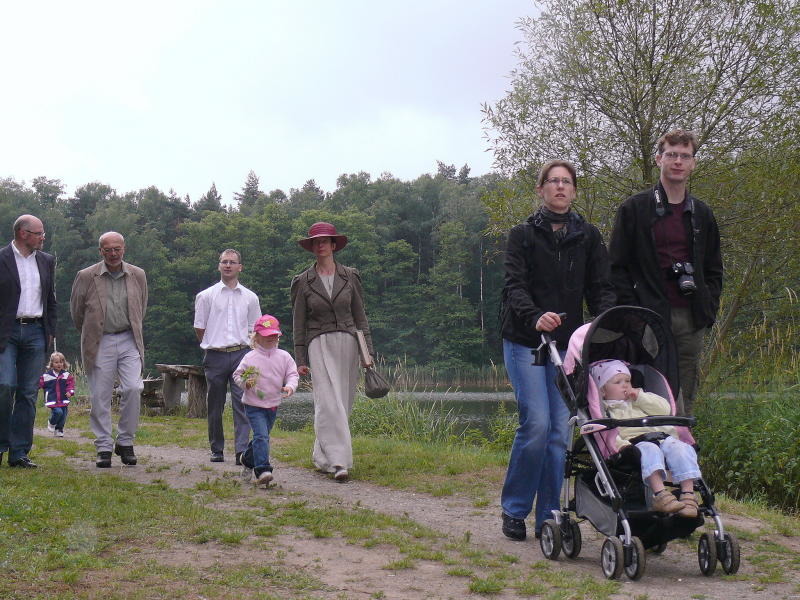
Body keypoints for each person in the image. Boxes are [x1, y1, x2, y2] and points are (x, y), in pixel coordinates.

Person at [499, 160, 615, 541]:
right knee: (536, 425)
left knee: (559, 435)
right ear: (541, 190)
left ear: (574, 191)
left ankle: (549, 516)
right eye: (553, 182)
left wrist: (608, 326)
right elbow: (513, 286)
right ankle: (514, 509)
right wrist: (535, 316)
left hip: (568, 345)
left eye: (567, 182)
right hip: (526, 340)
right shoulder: (523, 235)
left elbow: (601, 288)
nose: (560, 187)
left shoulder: (589, 236)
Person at [609, 129, 723, 416]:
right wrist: (633, 312)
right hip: (650, 313)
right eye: (671, 155)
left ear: (693, 163)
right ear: (659, 158)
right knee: (653, 386)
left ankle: (682, 452)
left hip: (691, 314)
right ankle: (650, 451)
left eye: (685, 156)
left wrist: (708, 307)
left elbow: (713, 268)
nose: (678, 161)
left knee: (687, 389)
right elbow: (615, 267)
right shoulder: (635, 209)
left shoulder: (701, 213)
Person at [291, 222, 374, 482]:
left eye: (325, 240)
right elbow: (298, 323)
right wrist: (300, 359)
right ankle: (339, 463)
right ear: (312, 247)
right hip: (318, 342)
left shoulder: (350, 276)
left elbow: (360, 316)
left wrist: (367, 353)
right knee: (327, 403)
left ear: (334, 245)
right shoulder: (303, 281)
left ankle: (322, 456)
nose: (321, 245)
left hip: (348, 342)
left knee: (343, 403)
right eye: (316, 241)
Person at [70, 232, 147, 468]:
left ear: (124, 249)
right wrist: (93, 333)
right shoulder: (86, 276)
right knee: (100, 395)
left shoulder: (138, 275)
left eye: (117, 249)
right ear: (100, 251)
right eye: (108, 250)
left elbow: (140, 307)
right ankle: (103, 445)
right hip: (100, 340)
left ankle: (125, 441)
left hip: (128, 338)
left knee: (134, 387)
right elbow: (76, 313)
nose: (113, 254)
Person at [591, 360, 700, 518]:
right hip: (637, 444)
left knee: (682, 448)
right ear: (602, 391)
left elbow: (665, 409)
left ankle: (688, 495)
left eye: (628, 381)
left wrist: (640, 397)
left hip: (663, 438)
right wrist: (622, 446)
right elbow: (609, 436)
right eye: (618, 382)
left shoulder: (640, 399)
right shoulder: (607, 412)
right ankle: (660, 494)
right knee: (650, 450)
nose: (625, 386)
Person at [0, 215, 57, 468]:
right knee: (5, 385)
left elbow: (51, 299)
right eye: (39, 233)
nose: (43, 237)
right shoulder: (1, 258)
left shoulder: (46, 261)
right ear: (23, 234)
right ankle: (1, 444)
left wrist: (51, 331)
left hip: (36, 331)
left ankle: (19, 452)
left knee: (27, 393)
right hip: (6, 332)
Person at [194, 249, 261, 464]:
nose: (228, 265)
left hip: (242, 354)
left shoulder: (250, 297)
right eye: (224, 262)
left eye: (233, 262)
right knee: (214, 404)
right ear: (219, 266)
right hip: (215, 355)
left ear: (240, 267)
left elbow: (255, 329)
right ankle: (217, 449)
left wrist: (252, 354)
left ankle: (241, 450)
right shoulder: (206, 296)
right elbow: (200, 327)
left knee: (242, 403)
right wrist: (212, 344)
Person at [233, 314, 299, 485]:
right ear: (257, 337)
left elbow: (292, 374)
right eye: (267, 334)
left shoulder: (284, 356)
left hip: (273, 404)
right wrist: (244, 384)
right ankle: (263, 470)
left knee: (260, 438)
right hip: (253, 405)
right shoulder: (250, 357)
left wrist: (290, 386)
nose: (271, 338)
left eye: (274, 335)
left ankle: (247, 460)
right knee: (262, 437)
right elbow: (237, 375)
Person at [39, 351, 75, 437]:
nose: (59, 364)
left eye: (61, 362)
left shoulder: (66, 375)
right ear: (52, 364)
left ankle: (59, 429)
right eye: (56, 362)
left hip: (63, 399)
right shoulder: (46, 376)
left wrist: (70, 392)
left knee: (63, 416)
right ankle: (51, 422)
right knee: (58, 412)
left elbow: (71, 385)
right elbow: (39, 384)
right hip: (52, 399)